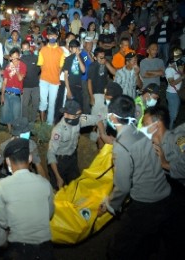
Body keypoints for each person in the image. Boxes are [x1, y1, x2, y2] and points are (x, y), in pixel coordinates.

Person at [98, 95, 182, 259]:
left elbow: (122, 187)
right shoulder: (143, 132)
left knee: (118, 248)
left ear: (113, 117)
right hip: (165, 195)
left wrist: (109, 205)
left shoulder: (121, 147)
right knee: (149, 240)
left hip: (146, 203)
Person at [0, 138, 55, 259]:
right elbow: (49, 214)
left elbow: (3, 222)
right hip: (45, 250)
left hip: (17, 250)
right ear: (30, 158)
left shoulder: (1, 187)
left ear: (7, 161)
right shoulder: (45, 184)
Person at [48, 100, 104, 189]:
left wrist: (102, 136)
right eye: (74, 116)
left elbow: (97, 118)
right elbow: (50, 154)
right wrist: (58, 177)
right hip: (59, 163)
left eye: (79, 115)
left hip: (72, 159)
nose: (77, 118)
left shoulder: (80, 118)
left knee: (75, 188)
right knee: (57, 190)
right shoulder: (58, 131)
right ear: (65, 114)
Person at [0, 117, 46, 185]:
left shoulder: (31, 145)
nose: (28, 136)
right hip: (7, 176)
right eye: (26, 134)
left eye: (28, 133)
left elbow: (38, 166)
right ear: (16, 135)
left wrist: (44, 183)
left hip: (26, 176)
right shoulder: (4, 147)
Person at [38, 27, 65, 125]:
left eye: (54, 35)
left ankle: (49, 125)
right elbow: (41, 65)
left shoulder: (60, 51)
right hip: (44, 80)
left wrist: (56, 75)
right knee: (43, 101)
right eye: (50, 35)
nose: (52, 37)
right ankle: (42, 123)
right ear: (47, 37)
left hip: (55, 81)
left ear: (57, 36)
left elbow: (61, 66)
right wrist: (45, 73)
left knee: (52, 104)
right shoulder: (43, 50)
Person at [0, 47, 27, 132]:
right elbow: (4, 82)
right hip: (7, 92)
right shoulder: (8, 67)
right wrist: (2, 95)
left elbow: (20, 79)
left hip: (16, 94)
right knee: (7, 114)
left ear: (19, 56)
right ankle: (10, 131)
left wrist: (16, 69)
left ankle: (16, 132)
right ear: (10, 57)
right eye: (13, 57)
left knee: (16, 115)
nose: (14, 59)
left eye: (16, 57)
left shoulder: (23, 65)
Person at [88, 47, 116, 116]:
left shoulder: (106, 64)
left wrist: (106, 63)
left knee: (103, 116)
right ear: (95, 58)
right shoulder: (93, 66)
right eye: (100, 57)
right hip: (96, 94)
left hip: (105, 94)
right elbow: (89, 82)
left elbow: (115, 73)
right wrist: (91, 97)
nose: (103, 59)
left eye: (104, 57)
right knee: (95, 117)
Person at [21, 40, 41, 123]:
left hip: (35, 85)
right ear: (21, 49)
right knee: (24, 105)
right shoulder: (20, 60)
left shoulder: (35, 58)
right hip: (25, 86)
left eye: (27, 48)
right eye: (23, 49)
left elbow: (38, 69)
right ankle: (25, 121)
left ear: (29, 48)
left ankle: (32, 121)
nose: (25, 50)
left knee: (35, 104)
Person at [165, 47, 184, 130]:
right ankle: (168, 132)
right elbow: (172, 83)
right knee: (173, 115)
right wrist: (182, 77)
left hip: (177, 93)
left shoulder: (175, 68)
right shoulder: (169, 70)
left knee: (174, 114)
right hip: (172, 94)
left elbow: (181, 73)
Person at [63, 39, 85, 110]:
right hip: (71, 86)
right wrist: (68, 90)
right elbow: (65, 76)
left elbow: (83, 70)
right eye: (74, 47)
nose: (76, 49)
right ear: (70, 48)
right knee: (70, 108)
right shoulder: (68, 59)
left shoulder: (81, 57)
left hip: (79, 86)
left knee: (79, 108)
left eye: (77, 47)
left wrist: (78, 56)